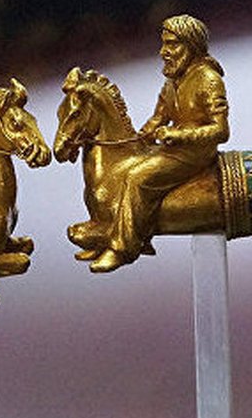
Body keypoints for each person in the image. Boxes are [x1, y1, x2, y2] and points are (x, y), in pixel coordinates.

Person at [95, 15, 229, 272]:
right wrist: (141, 135)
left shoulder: (209, 80)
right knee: (123, 168)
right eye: (163, 44)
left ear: (190, 45)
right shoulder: (172, 81)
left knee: (137, 178)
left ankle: (123, 249)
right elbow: (158, 118)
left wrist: (178, 136)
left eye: (171, 45)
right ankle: (119, 231)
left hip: (194, 154)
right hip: (173, 148)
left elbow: (221, 130)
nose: (163, 52)